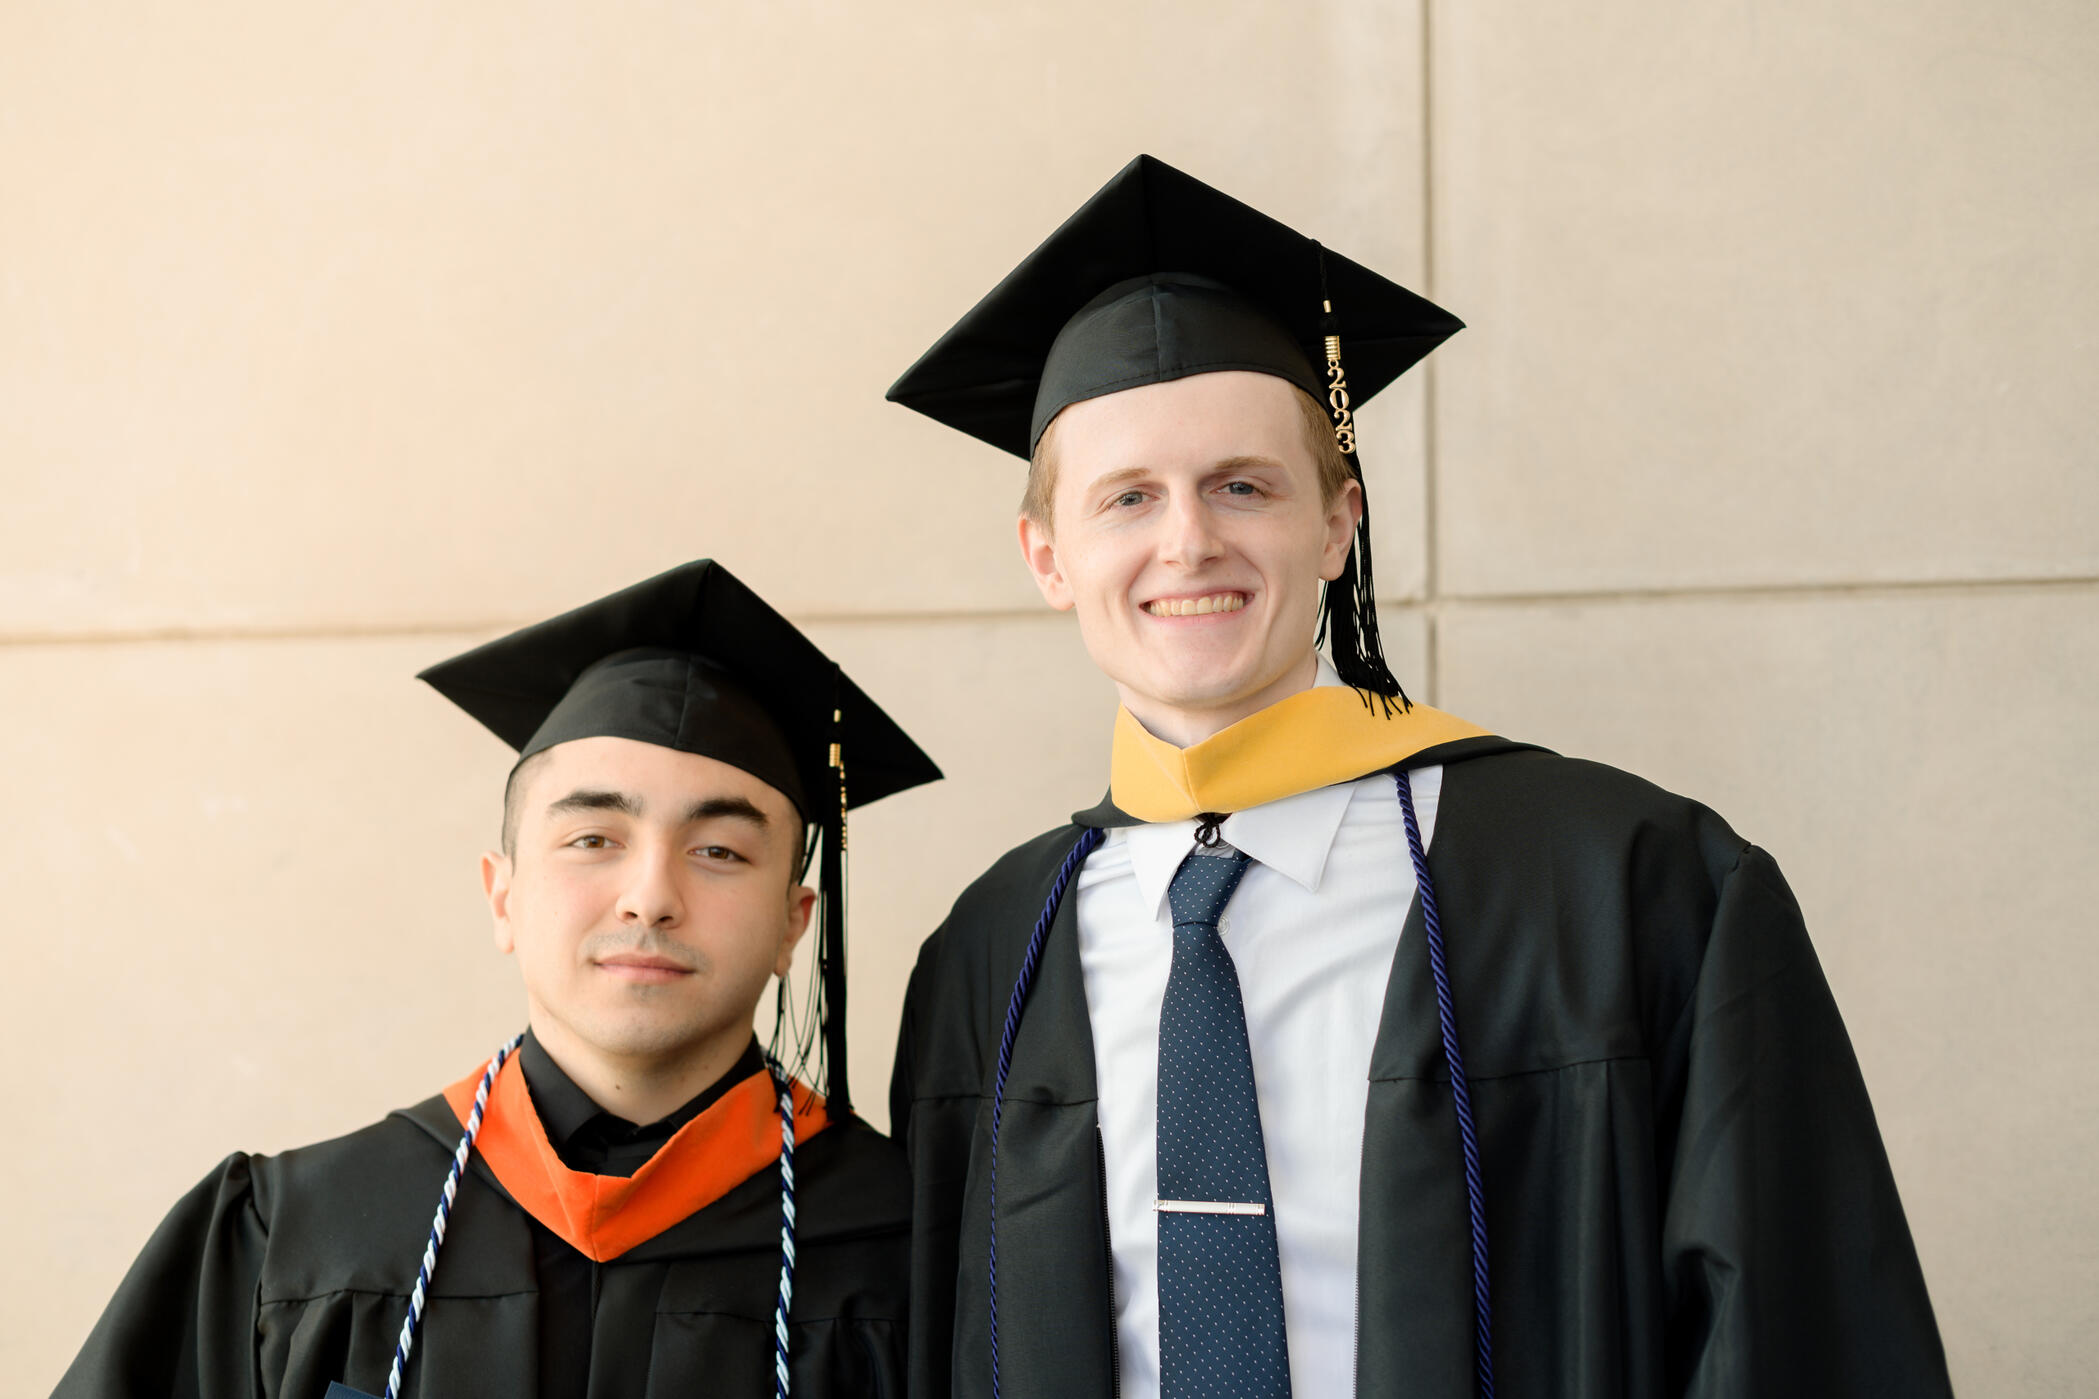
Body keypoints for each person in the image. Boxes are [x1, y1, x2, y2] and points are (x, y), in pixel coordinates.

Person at [884, 155, 1952, 1399]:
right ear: (1047, 558)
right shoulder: (992, 953)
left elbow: (1799, 1334)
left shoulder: (1625, 886)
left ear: (1336, 524)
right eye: (1127, 498)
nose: (1188, 540)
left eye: (1241, 485)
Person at [56, 560, 941, 1399]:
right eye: (593, 838)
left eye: (718, 850)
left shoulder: (915, 1247)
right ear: (503, 895)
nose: (651, 896)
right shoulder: (294, 1234)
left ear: (792, 923)